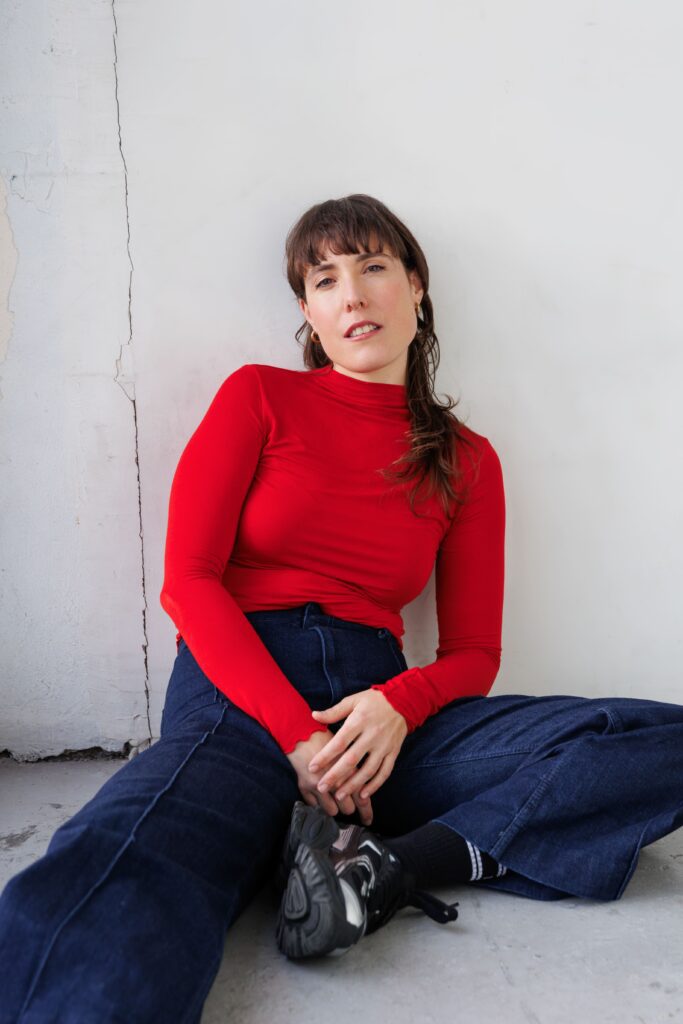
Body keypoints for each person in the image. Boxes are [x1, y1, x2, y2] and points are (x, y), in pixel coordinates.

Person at [1, 194, 682, 1020]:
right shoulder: (259, 397)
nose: (352, 295)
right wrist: (297, 737)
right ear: (308, 312)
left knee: (651, 739)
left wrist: (398, 707)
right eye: (324, 280)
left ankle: (382, 867)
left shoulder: (465, 460)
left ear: (415, 286)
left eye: (372, 268)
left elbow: (473, 653)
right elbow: (189, 582)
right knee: (127, 860)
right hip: (244, 697)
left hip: (382, 720)